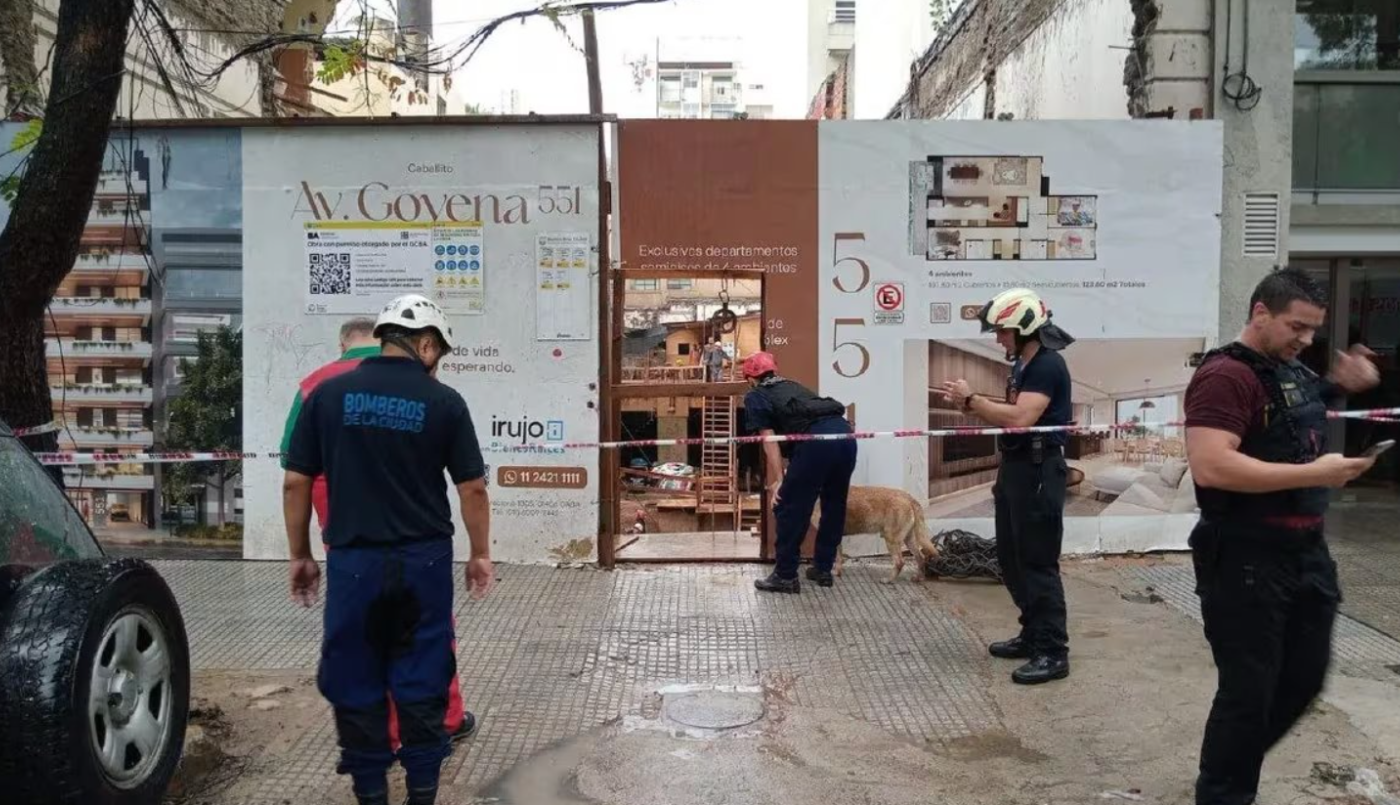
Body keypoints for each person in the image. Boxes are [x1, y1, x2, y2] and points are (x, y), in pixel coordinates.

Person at [283, 294, 495, 805]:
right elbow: (472, 489)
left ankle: (372, 796)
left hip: (353, 562)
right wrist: (479, 553)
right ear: (426, 345)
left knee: (356, 678)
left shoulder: (326, 396)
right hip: (424, 563)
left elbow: (295, 482)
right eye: (438, 354)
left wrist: (300, 555)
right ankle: (421, 795)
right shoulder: (445, 402)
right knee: (423, 677)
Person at [1182, 267, 1379, 805]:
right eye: (1297, 326)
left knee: (1304, 679)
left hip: (1305, 552)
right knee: (1248, 693)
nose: (1306, 339)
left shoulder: (1286, 369)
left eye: (1313, 329)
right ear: (1260, 313)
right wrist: (1315, 473)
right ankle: (1223, 791)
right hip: (1245, 555)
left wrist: (1340, 384)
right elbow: (1212, 466)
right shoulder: (1225, 376)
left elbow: (1288, 417)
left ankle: (1228, 765)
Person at [936, 287, 1075, 685]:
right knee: (1011, 559)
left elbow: (1020, 418)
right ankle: (1033, 634)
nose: (998, 338)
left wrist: (972, 400)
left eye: (1002, 331)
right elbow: (1009, 415)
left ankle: (1053, 651)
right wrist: (971, 404)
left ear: (1025, 329)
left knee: (1036, 562)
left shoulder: (1048, 365)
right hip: (1017, 468)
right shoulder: (1023, 366)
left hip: (1038, 470)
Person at [741, 351, 856, 593]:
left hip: (816, 443)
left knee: (789, 507)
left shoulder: (755, 395)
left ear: (750, 378)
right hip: (845, 436)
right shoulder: (792, 386)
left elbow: (770, 440)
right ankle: (823, 569)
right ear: (774, 370)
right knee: (834, 504)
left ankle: (785, 575)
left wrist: (779, 480)